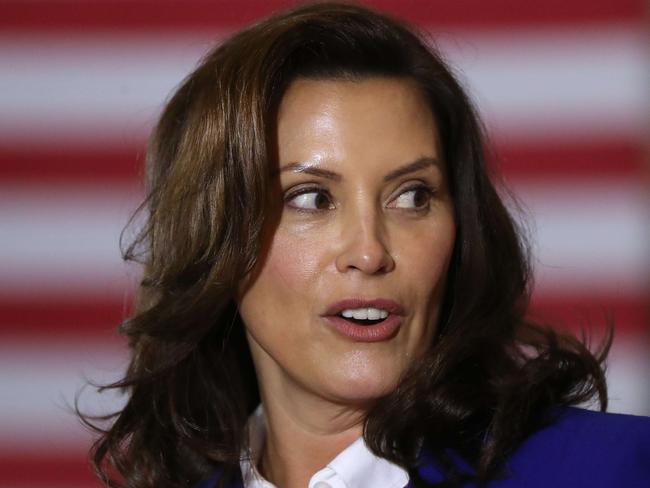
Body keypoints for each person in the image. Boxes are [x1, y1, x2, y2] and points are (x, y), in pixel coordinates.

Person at [83, 2, 650, 487]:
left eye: (412, 196)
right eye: (309, 198)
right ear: (212, 237)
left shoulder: (615, 467)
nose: (370, 250)